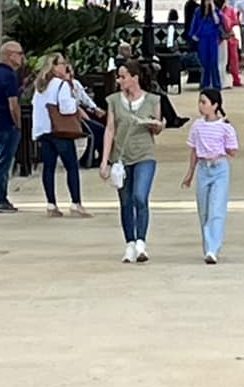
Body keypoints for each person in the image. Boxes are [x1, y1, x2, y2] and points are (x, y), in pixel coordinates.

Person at [101, 57, 165, 262]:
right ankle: (129, 241)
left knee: (140, 196)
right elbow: (110, 129)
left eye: (123, 77)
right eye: (118, 77)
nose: (119, 80)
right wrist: (104, 161)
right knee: (126, 201)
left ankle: (141, 241)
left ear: (135, 78)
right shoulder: (113, 101)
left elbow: (157, 126)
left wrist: (155, 125)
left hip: (145, 153)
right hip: (121, 156)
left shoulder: (153, 100)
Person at [31, 54, 100, 217]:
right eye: (62, 64)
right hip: (60, 131)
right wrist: (75, 102)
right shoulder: (61, 85)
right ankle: (76, 203)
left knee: (48, 167)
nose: (65, 67)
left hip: (44, 130)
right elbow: (66, 108)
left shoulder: (41, 86)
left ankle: (51, 204)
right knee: (71, 166)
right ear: (53, 67)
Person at [181, 88, 240, 264]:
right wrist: (190, 173)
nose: (201, 106)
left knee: (217, 208)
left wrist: (221, 150)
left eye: (204, 102)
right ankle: (207, 245)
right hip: (203, 168)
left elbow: (233, 150)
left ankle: (213, 248)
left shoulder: (225, 127)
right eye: (199, 102)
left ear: (215, 105)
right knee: (204, 210)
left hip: (219, 168)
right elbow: (193, 150)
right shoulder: (197, 126)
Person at [0, 40, 26, 213]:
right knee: (4, 162)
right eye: (19, 53)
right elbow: (13, 104)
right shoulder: (9, 76)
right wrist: (18, 123)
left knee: (0, 159)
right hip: (6, 123)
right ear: (10, 55)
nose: (22, 57)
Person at [189, 0, 224, 89]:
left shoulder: (215, 11)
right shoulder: (198, 11)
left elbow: (218, 22)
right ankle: (205, 82)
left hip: (212, 38)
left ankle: (216, 83)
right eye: (206, 0)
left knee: (213, 61)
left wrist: (213, 10)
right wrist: (194, 35)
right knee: (204, 62)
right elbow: (195, 24)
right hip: (202, 38)